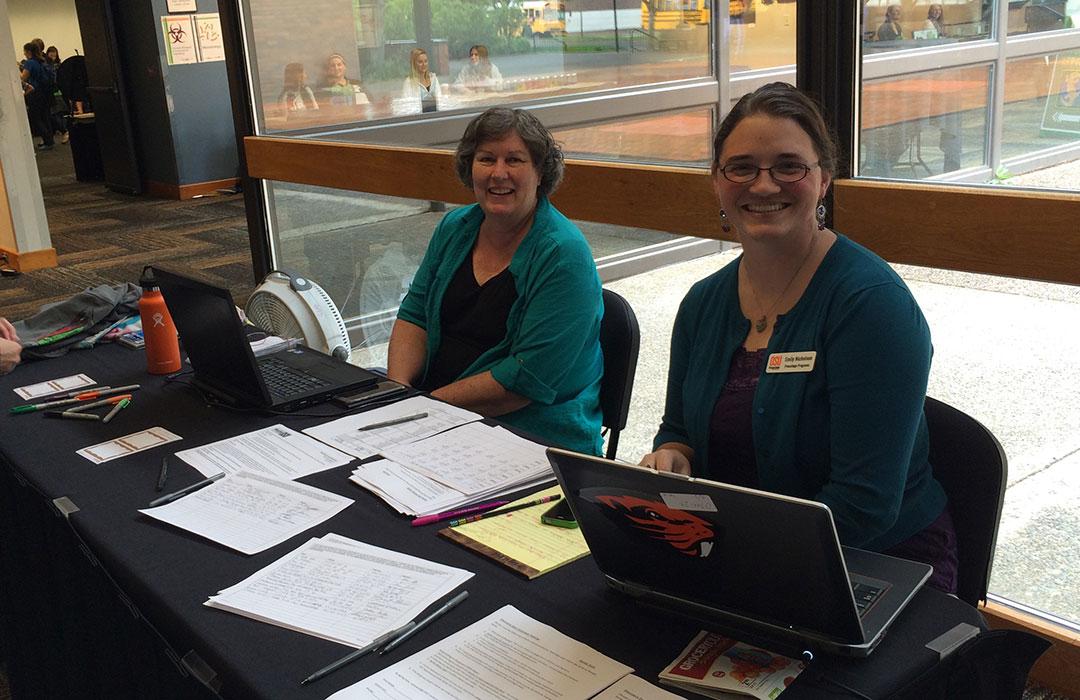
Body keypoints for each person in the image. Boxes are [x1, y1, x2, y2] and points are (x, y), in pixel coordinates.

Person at [639, 83, 957, 593]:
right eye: (741, 167)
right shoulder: (702, 303)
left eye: (789, 166)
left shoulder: (870, 304)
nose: (763, 186)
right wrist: (673, 455)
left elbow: (862, 505)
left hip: (878, 563)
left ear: (824, 179)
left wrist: (736, 558)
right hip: (739, 551)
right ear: (718, 183)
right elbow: (678, 428)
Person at [387, 107, 604, 455]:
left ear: (539, 172)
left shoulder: (564, 255)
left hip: (533, 437)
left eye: (514, 160)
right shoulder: (453, 228)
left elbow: (525, 381)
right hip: (439, 419)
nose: (498, 173)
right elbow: (414, 315)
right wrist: (397, 392)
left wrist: (424, 409)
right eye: (486, 159)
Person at [20, 43, 54, 151]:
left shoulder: (29, 63)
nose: (24, 53)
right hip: (44, 92)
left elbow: (23, 78)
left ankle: (47, 141)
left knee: (36, 118)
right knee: (45, 117)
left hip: (34, 93)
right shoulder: (40, 61)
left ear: (28, 52)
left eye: (25, 51)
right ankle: (49, 140)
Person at [401, 48, 441, 112]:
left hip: (435, 116)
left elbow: (440, 100)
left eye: (425, 61)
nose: (424, 64)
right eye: (420, 62)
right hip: (419, 118)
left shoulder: (433, 78)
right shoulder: (409, 82)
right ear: (414, 64)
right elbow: (406, 107)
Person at [45, 46, 69, 143]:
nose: (52, 54)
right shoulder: (46, 65)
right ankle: (64, 131)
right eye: (50, 52)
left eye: (54, 52)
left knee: (58, 113)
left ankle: (65, 131)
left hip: (59, 91)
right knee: (55, 114)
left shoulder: (58, 65)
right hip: (52, 91)